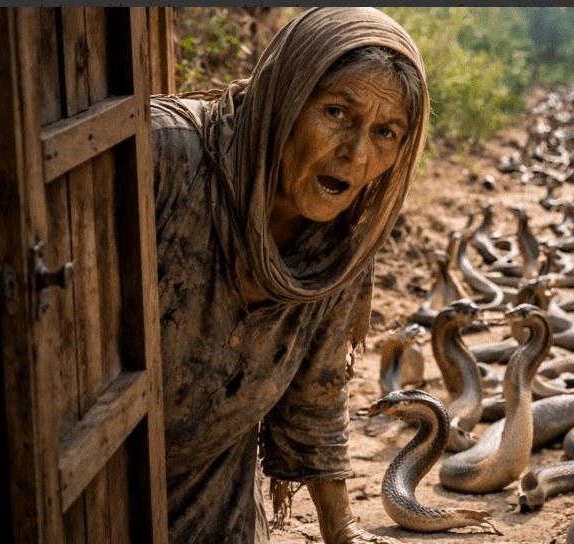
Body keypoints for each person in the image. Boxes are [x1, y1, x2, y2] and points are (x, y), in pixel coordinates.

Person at [149, 7, 429, 544]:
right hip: (90, 488)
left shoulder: (340, 245)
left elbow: (316, 390)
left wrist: (341, 528)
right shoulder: (167, 157)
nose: (356, 154)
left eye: (385, 132)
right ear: (285, 96)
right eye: (336, 112)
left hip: (211, 504)